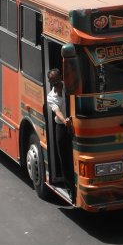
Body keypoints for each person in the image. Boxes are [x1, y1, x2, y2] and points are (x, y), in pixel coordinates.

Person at [47, 68, 74, 200]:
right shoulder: (50, 96)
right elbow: (57, 111)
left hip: (75, 125)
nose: (57, 85)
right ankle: (70, 189)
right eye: (54, 83)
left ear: (61, 78)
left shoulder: (70, 86)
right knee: (65, 159)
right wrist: (65, 121)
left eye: (58, 82)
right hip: (62, 127)